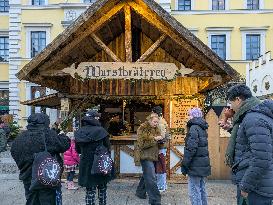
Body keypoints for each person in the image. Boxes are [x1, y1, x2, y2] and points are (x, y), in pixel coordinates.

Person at [219, 84, 273, 205]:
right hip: (258, 184)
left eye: (230, 103)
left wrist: (245, 186)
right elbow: (250, 141)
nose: (230, 107)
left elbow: (261, 158)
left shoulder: (252, 118)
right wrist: (232, 129)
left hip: (256, 189)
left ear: (238, 99)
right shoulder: (252, 116)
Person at [10, 113, 70, 205]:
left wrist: (25, 167)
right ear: (45, 122)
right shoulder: (48, 135)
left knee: (31, 201)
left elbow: (14, 152)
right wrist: (62, 135)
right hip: (47, 179)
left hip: (28, 178)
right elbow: (64, 144)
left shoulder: (20, 138)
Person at [75, 110, 112, 205]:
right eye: (97, 117)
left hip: (86, 163)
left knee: (89, 190)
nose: (99, 119)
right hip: (100, 162)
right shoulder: (101, 131)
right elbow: (108, 147)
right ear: (94, 118)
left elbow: (78, 150)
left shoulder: (79, 131)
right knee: (102, 188)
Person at [181, 107, 210, 205]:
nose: (188, 117)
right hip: (202, 164)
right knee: (201, 189)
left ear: (192, 116)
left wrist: (185, 163)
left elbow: (191, 148)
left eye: (189, 115)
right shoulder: (202, 127)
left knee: (194, 190)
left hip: (195, 164)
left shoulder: (193, 127)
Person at [135, 113, 163, 205]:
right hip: (145, 156)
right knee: (151, 177)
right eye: (154, 122)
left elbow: (159, 144)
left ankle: (140, 192)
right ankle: (155, 200)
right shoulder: (142, 128)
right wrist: (155, 139)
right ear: (149, 120)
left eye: (157, 122)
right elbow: (142, 145)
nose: (156, 124)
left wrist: (161, 141)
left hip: (154, 155)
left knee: (147, 175)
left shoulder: (156, 128)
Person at [152, 106, 169, 192]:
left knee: (160, 167)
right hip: (161, 147)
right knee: (160, 166)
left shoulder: (160, 122)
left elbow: (162, 137)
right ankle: (162, 185)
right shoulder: (162, 120)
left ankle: (161, 186)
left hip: (160, 147)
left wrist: (153, 138)